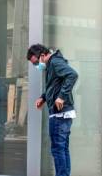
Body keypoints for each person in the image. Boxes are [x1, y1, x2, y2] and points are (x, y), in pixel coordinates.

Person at [27, 44, 78, 176]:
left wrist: (61, 97)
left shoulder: (54, 62)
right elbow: (54, 85)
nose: (36, 66)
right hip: (63, 112)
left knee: (57, 149)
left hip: (60, 113)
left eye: (36, 62)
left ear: (43, 56)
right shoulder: (52, 64)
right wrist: (43, 97)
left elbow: (72, 75)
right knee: (62, 149)